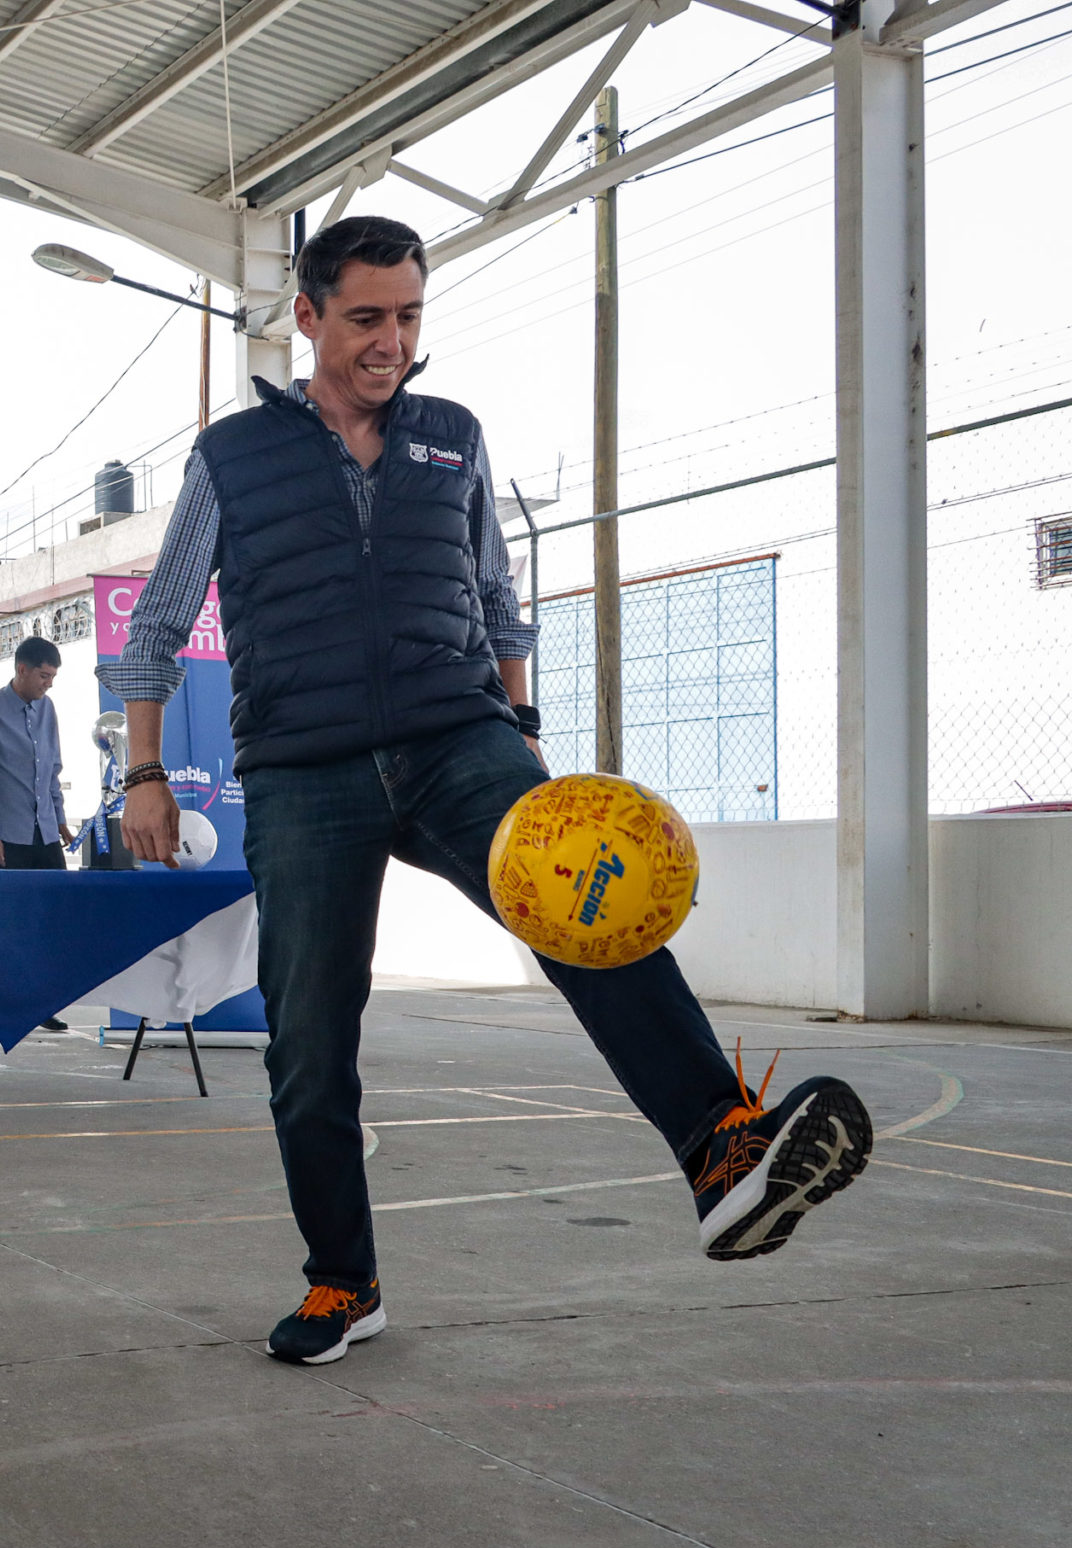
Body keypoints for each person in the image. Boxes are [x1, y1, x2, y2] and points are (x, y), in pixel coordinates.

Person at [106, 215, 875, 1366]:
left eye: (409, 316)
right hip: (305, 768)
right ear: (307, 316)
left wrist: (523, 743)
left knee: (592, 917)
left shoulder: (451, 437)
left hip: (457, 736)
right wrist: (145, 770)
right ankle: (342, 1283)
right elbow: (161, 618)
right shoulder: (229, 458)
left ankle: (722, 1153)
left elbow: (500, 597)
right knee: (310, 1039)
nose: (390, 341)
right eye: (366, 317)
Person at [0, 634, 76, 1030]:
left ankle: (41, 1003)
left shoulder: (49, 711)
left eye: (53, 677)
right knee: (5, 924)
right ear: (22, 669)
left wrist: (59, 817)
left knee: (51, 919)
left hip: (43, 832)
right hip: (4, 835)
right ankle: (0, 1002)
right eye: (44, 675)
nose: (49, 683)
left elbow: (52, 770)